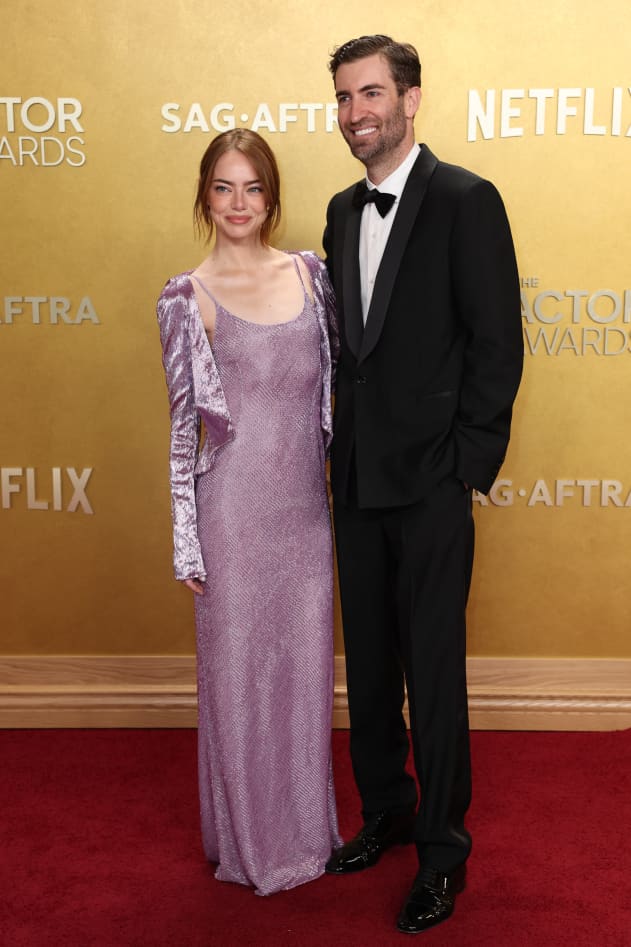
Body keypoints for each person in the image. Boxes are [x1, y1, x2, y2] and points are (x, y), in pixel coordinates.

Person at [322, 35, 523, 933]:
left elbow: (495, 347)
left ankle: (442, 851)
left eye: (370, 93)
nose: (355, 111)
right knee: (368, 666)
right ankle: (387, 808)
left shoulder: (464, 199)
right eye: (342, 97)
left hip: (434, 481)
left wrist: (465, 468)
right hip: (357, 479)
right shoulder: (336, 210)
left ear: (409, 99)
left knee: (433, 674)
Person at [156, 128, 341, 896]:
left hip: (305, 513)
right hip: (231, 515)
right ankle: (249, 843)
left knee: (300, 678)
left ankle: (307, 833)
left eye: (253, 188)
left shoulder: (313, 277)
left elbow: (340, 400)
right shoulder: (184, 297)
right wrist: (186, 541)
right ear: (204, 195)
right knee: (236, 681)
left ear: (272, 197)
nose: (239, 204)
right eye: (224, 188)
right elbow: (180, 431)